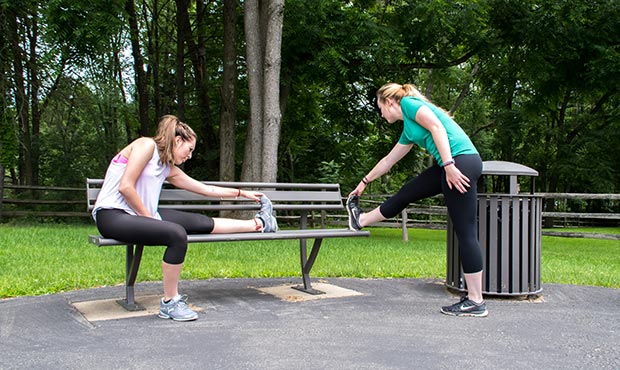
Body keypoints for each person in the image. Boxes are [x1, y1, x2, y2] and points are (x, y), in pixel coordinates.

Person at [92, 115, 278, 321]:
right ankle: (170, 302)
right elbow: (125, 187)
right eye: (189, 150)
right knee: (177, 235)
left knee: (199, 222)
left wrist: (242, 193)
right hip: (112, 215)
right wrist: (150, 219)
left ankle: (260, 223)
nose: (190, 156)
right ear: (178, 141)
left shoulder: (167, 167)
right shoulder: (146, 146)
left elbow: (205, 189)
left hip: (140, 215)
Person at [347, 82, 487, 317]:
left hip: (459, 162)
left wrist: (450, 166)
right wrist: (363, 182)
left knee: (466, 232)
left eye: (380, 107)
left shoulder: (410, 104)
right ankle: (359, 220)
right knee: (406, 193)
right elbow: (388, 161)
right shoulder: (408, 130)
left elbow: (437, 128)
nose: (380, 113)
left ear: (389, 101)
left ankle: (476, 300)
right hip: (450, 164)